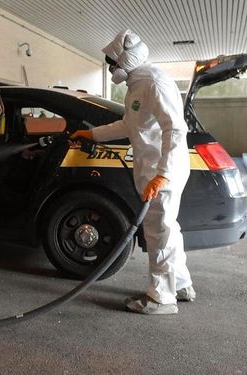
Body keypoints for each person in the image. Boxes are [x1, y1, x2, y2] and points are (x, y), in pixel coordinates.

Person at [71, 30, 195, 315]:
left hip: (163, 170)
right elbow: (129, 125)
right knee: (168, 229)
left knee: (158, 232)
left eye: (112, 61)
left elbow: (174, 130)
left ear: (127, 58)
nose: (111, 67)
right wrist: (91, 134)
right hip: (153, 170)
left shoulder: (154, 82)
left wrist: (162, 174)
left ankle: (161, 298)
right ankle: (181, 284)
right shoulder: (136, 87)